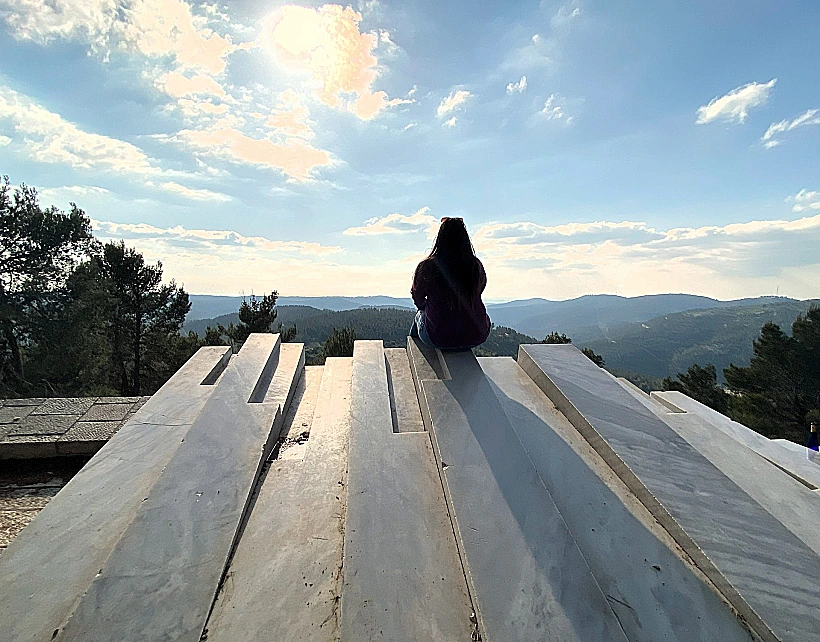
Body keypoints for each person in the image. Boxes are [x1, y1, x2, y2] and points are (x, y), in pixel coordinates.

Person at [410, 217, 491, 350]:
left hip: (438, 338)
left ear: (440, 238)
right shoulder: (475, 265)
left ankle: (414, 354)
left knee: (419, 316)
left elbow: (417, 295)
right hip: (476, 336)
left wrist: (426, 307)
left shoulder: (427, 266)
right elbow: (480, 289)